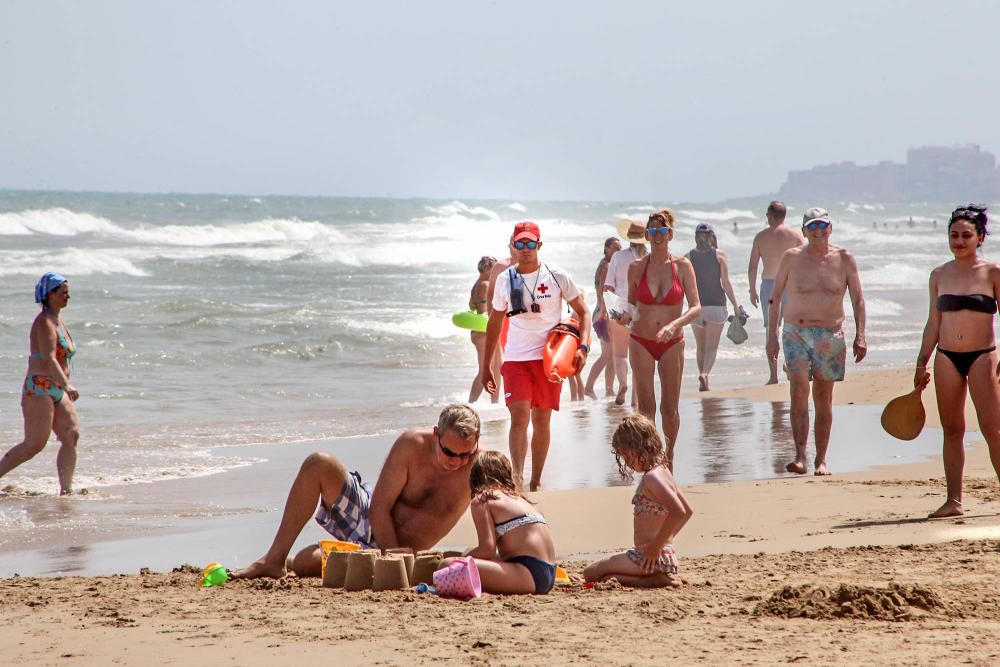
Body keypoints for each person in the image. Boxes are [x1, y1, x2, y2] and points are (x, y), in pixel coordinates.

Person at [235, 404, 480, 579]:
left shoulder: (480, 465)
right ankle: (274, 559)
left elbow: (507, 506)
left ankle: (298, 561)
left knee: (303, 562)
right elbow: (380, 506)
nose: (456, 461)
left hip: (394, 554)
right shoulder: (412, 444)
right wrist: (392, 555)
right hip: (371, 519)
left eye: (464, 455)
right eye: (449, 452)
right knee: (319, 463)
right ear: (436, 434)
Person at [483, 221, 592, 491]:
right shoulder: (505, 279)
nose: (525, 249)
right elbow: (494, 322)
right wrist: (487, 366)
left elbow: (584, 312)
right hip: (516, 358)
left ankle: (536, 481)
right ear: (514, 246)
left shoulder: (557, 276)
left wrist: (583, 347)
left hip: (549, 359)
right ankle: (517, 479)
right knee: (519, 417)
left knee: (541, 420)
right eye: (520, 244)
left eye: (531, 243)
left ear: (539, 246)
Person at [766, 207, 867, 476]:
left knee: (824, 398)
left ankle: (821, 460)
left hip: (830, 335)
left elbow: (857, 298)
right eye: (812, 227)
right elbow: (775, 298)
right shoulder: (792, 257)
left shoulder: (844, 258)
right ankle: (800, 455)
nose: (818, 231)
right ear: (804, 231)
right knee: (798, 390)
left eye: (822, 226)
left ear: (830, 228)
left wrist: (861, 335)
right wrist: (771, 338)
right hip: (795, 333)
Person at [914, 205, 1000, 518]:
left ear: (980, 237)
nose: (959, 240)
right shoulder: (938, 275)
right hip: (946, 357)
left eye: (966, 235)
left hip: (983, 356)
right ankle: (954, 501)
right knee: (952, 430)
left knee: (993, 430)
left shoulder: (992, 272)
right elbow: (933, 323)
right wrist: (922, 361)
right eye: (954, 235)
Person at [621, 210, 701, 468]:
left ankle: (670, 455)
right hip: (641, 339)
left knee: (670, 407)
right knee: (646, 406)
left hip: (672, 341)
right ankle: (652, 456)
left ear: (670, 234)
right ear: (646, 235)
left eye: (662, 231)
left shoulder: (682, 266)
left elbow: (696, 306)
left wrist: (674, 325)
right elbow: (631, 306)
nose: (657, 236)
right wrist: (622, 315)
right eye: (652, 231)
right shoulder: (636, 268)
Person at [584, 415, 692, 588]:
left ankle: (653, 579)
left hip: (647, 556)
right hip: (662, 556)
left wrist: (655, 546)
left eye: (627, 457)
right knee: (607, 575)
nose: (627, 463)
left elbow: (679, 512)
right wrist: (664, 543)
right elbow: (688, 511)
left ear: (640, 447)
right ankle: (650, 578)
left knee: (590, 572)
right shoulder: (664, 472)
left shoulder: (652, 478)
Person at [0, 273, 80, 495]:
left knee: (71, 435)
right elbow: (49, 358)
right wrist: (67, 385)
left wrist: (63, 385)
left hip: (57, 388)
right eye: (63, 292)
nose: (68, 296)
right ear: (50, 294)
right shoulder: (44, 322)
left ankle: (66, 490)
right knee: (34, 444)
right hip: (39, 387)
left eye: (68, 292)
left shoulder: (58, 320)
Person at [438, 450, 557, 594]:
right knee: (473, 555)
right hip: (550, 572)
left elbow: (487, 550)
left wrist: (460, 559)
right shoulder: (522, 500)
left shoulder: (483, 499)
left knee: (446, 566)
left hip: (528, 574)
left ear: (475, 478)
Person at [748, 201, 805, 384]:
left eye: (767, 215)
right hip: (790, 284)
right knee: (791, 328)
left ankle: (773, 376)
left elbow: (753, 267)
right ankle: (789, 365)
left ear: (771, 216)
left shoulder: (760, 237)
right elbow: (805, 261)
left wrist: (752, 289)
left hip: (769, 286)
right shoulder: (795, 235)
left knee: (771, 330)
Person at [686, 222, 745, 391]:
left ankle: (703, 379)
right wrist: (736, 305)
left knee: (701, 347)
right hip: (717, 306)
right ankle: (704, 375)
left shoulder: (688, 256)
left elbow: (684, 284)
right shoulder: (719, 255)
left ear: (696, 237)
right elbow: (725, 283)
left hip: (696, 306)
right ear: (712, 236)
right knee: (711, 348)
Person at [603, 220, 648, 405]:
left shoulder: (618, 257)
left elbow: (608, 287)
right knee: (638, 356)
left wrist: (608, 310)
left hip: (620, 306)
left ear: (628, 238)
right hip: (643, 308)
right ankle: (635, 400)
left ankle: (622, 383)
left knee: (620, 354)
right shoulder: (650, 258)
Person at [585, 237, 621, 399]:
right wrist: (605, 312)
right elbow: (603, 291)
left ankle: (609, 389)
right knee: (607, 355)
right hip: (603, 313)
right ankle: (589, 387)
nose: (618, 252)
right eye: (615, 248)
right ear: (606, 249)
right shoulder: (606, 266)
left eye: (620, 248)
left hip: (605, 311)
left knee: (612, 355)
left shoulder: (606, 264)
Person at [468, 255, 500, 403]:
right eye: (495, 267)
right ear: (487, 268)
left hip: (479, 331)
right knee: (488, 370)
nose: (497, 271)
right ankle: (484, 403)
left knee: (492, 368)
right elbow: (491, 310)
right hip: (485, 331)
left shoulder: (477, 284)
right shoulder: (485, 285)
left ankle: (489, 402)